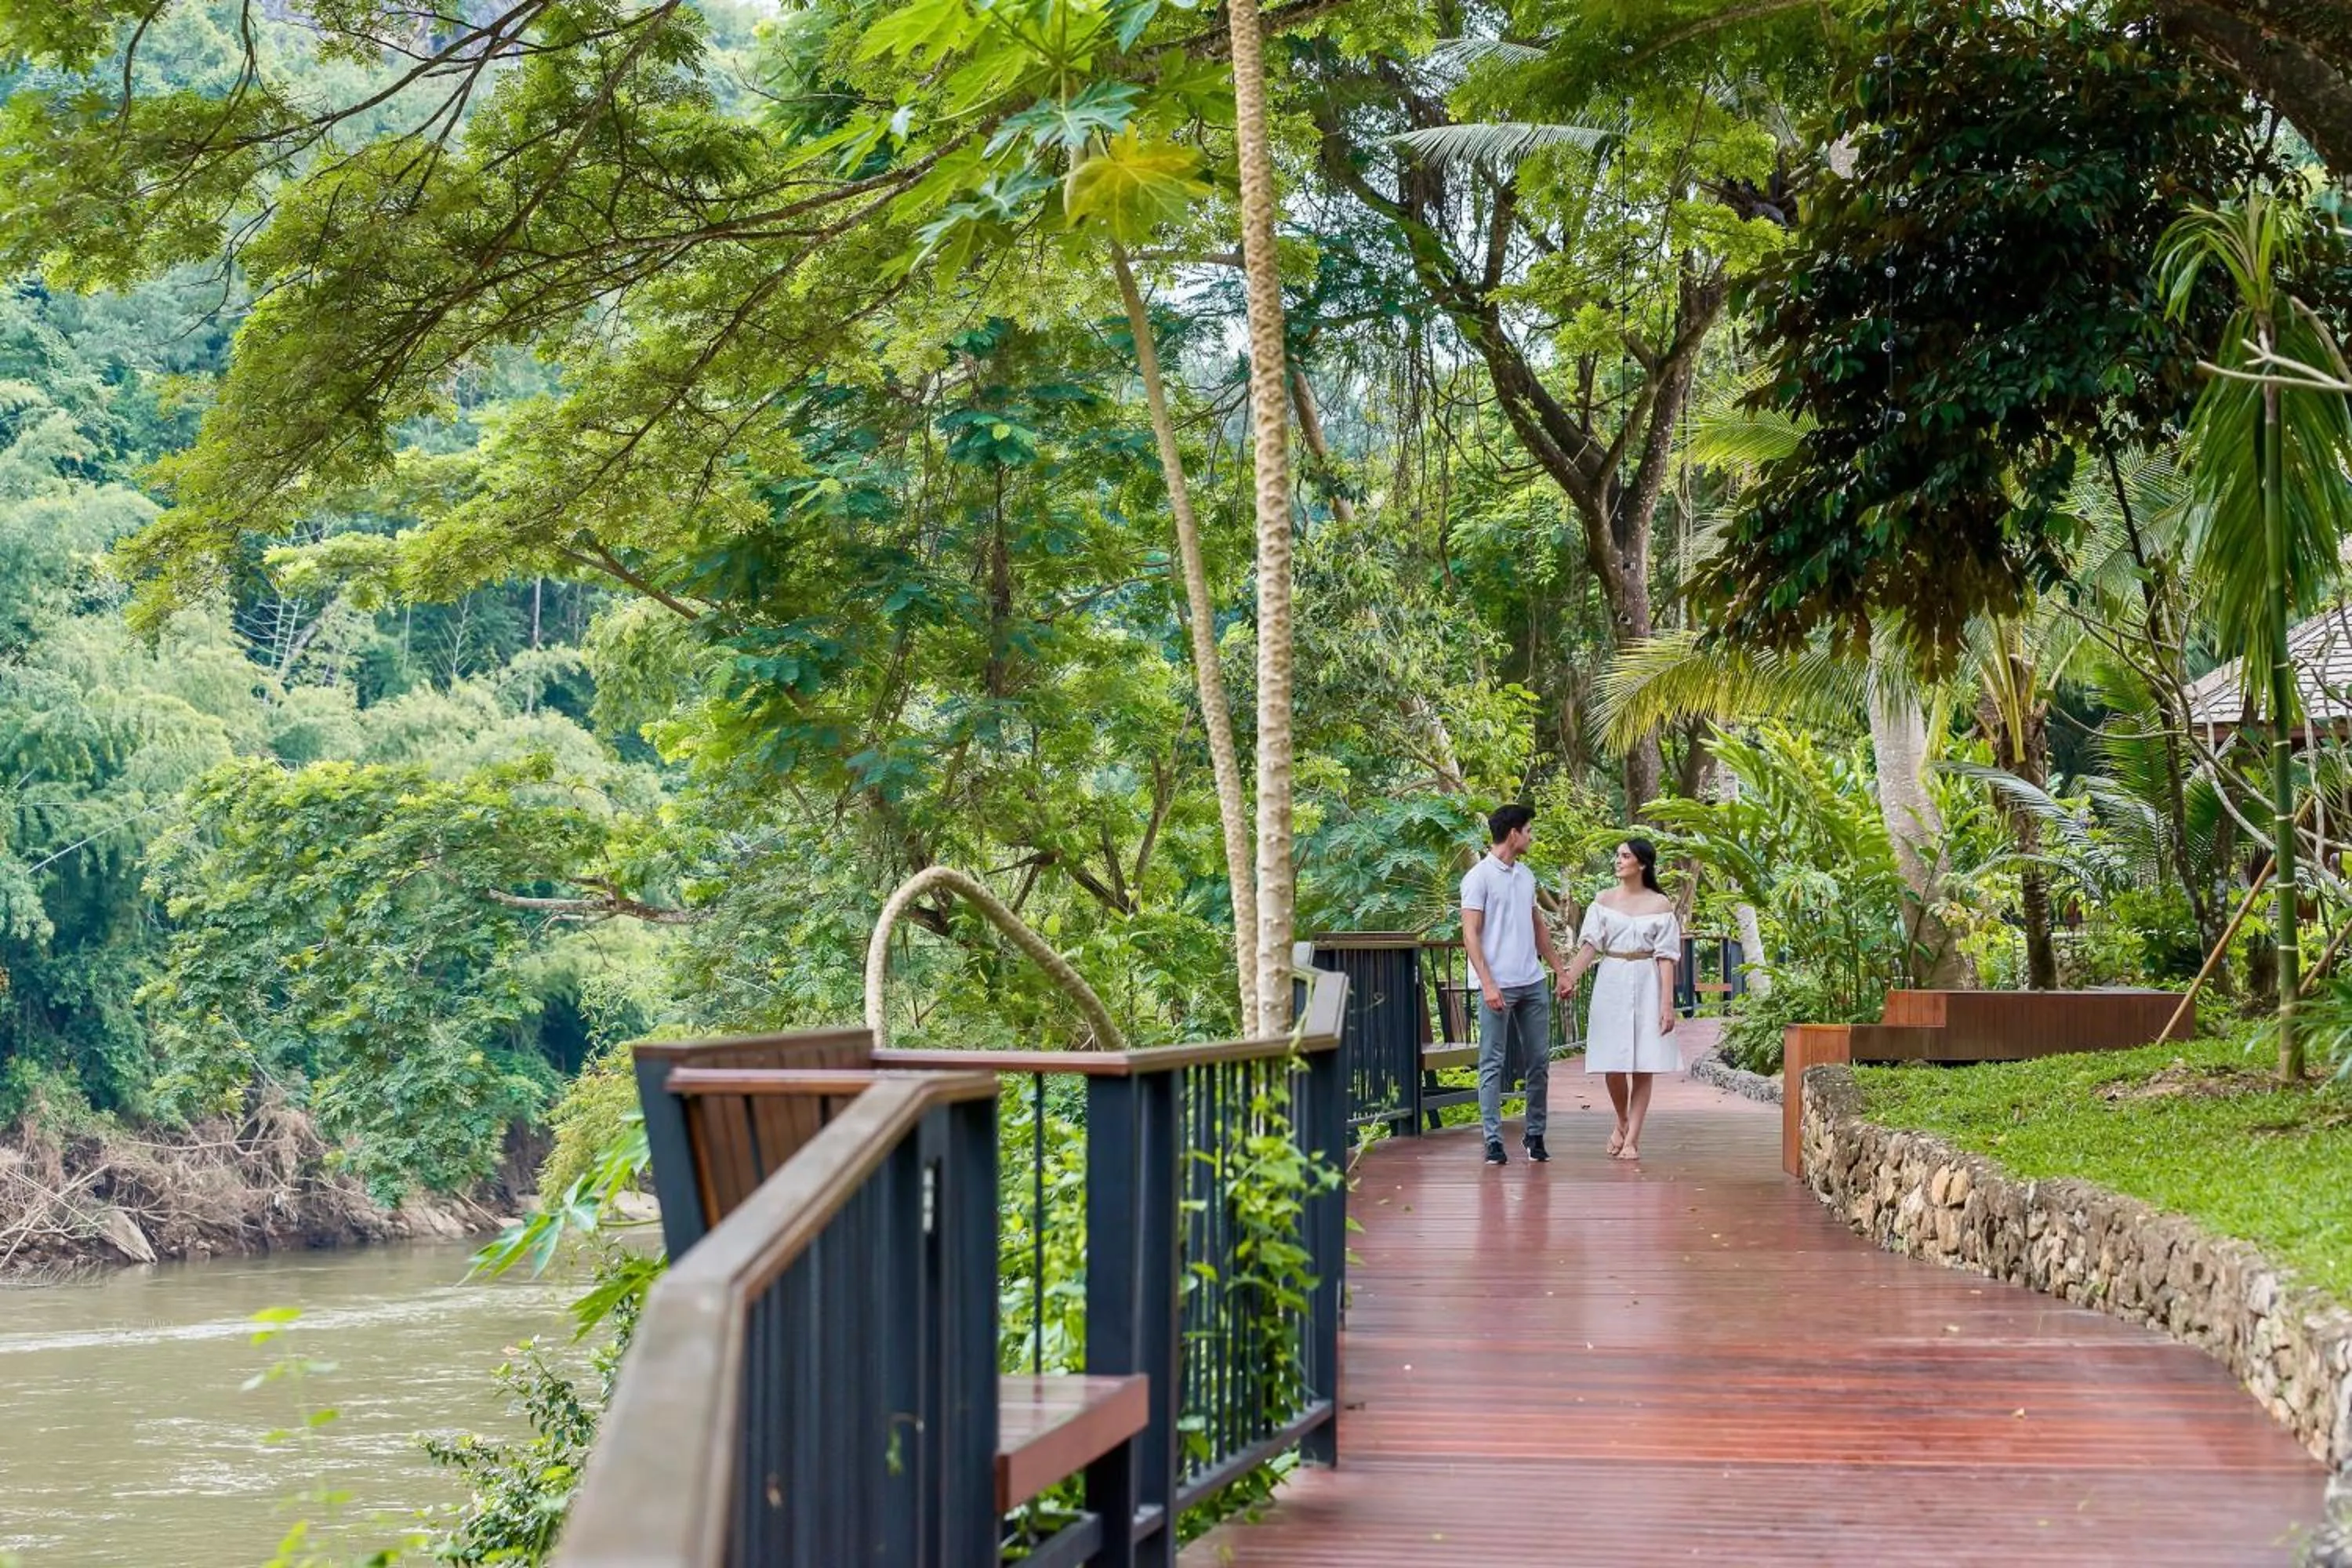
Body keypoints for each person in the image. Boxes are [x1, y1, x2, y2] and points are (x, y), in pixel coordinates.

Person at [1461, 804, 1571, 1167]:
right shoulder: (1478, 878)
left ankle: (1535, 1134)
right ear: (1513, 834)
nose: (1531, 836)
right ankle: (1493, 1140)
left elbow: (1539, 927)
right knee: (1491, 1062)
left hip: (1532, 982)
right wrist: (1488, 984)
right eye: (1528, 830)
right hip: (1498, 986)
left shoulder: (1526, 877)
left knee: (1539, 1061)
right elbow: (1470, 935)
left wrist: (1559, 970)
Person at [1558, 838, 1681, 1160]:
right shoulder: (1603, 900)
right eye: (1617, 856)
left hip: (1647, 980)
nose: (1618, 861)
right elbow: (1589, 946)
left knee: (1644, 1064)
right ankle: (1622, 1120)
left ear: (1641, 864)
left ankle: (1632, 1140)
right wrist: (1569, 977)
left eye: (1625, 856)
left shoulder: (1660, 905)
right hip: (1611, 978)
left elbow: (1666, 957)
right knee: (1613, 1062)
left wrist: (1666, 1004)